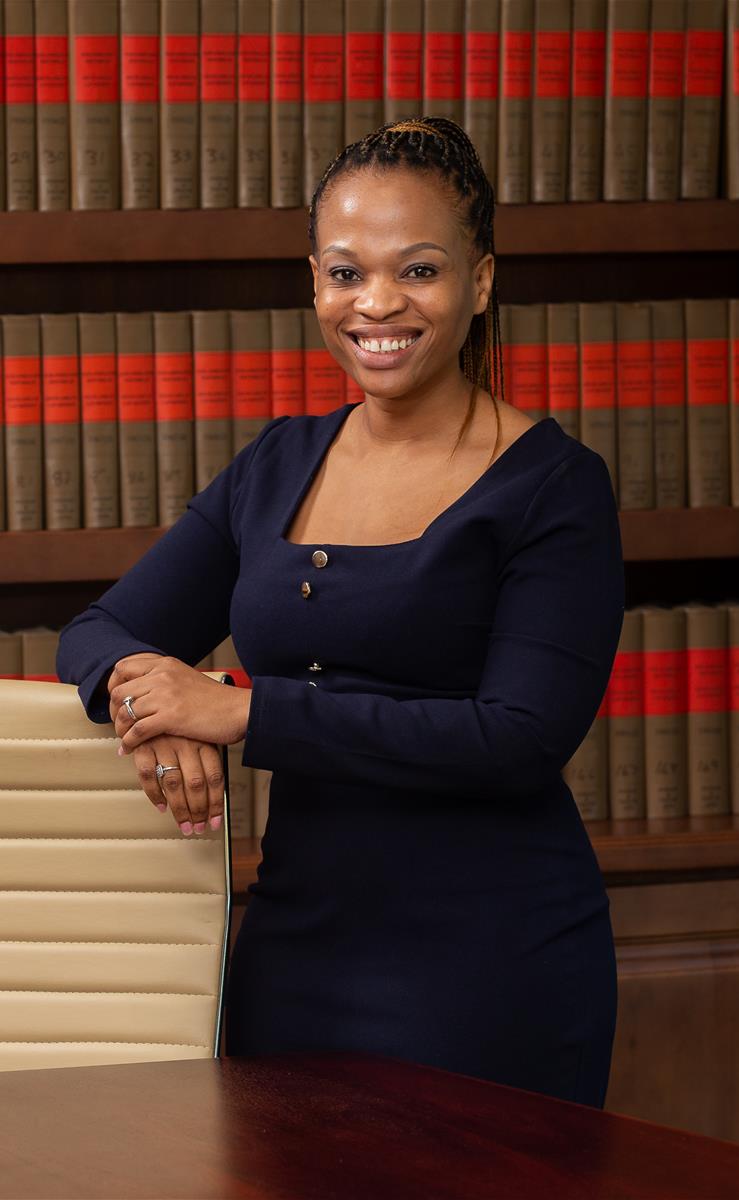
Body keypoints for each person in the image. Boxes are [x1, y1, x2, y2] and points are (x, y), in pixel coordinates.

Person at [57, 117, 625, 1109]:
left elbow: (517, 740)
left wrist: (242, 710)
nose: (376, 304)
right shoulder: (275, 463)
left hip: (490, 967)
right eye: (345, 272)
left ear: (480, 282)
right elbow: (97, 633)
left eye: (418, 270)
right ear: (314, 282)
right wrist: (151, 703)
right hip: (292, 956)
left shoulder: (553, 486)